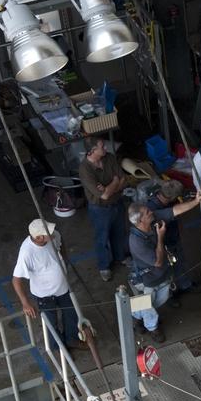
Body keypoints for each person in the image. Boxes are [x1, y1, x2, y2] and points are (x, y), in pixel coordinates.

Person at [12, 219, 86, 351]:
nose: (52, 233)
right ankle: (59, 349)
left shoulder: (54, 235)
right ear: (39, 238)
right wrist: (25, 303)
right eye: (48, 233)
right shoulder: (27, 252)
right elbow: (16, 280)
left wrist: (64, 259)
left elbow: (60, 241)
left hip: (63, 288)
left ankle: (72, 340)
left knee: (71, 314)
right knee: (51, 323)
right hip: (44, 295)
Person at [78, 136, 128, 281]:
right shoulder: (85, 169)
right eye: (102, 147)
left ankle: (121, 257)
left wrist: (109, 187)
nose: (105, 148)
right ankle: (104, 266)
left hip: (117, 203)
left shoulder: (110, 158)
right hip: (100, 209)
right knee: (102, 238)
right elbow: (104, 196)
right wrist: (114, 181)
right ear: (92, 151)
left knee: (119, 233)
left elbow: (123, 179)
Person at [144, 180, 201, 296]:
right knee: (166, 269)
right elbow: (173, 211)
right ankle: (170, 294)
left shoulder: (160, 195)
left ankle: (184, 284)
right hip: (161, 245)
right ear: (172, 198)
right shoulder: (153, 211)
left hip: (173, 239)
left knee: (180, 262)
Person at [127, 201, 176, 343]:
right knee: (147, 305)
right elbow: (158, 261)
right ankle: (152, 328)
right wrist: (160, 237)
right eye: (147, 212)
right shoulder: (136, 241)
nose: (151, 212)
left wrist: (196, 201)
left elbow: (173, 211)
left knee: (157, 299)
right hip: (145, 278)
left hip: (161, 274)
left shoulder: (151, 223)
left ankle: (136, 318)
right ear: (141, 220)